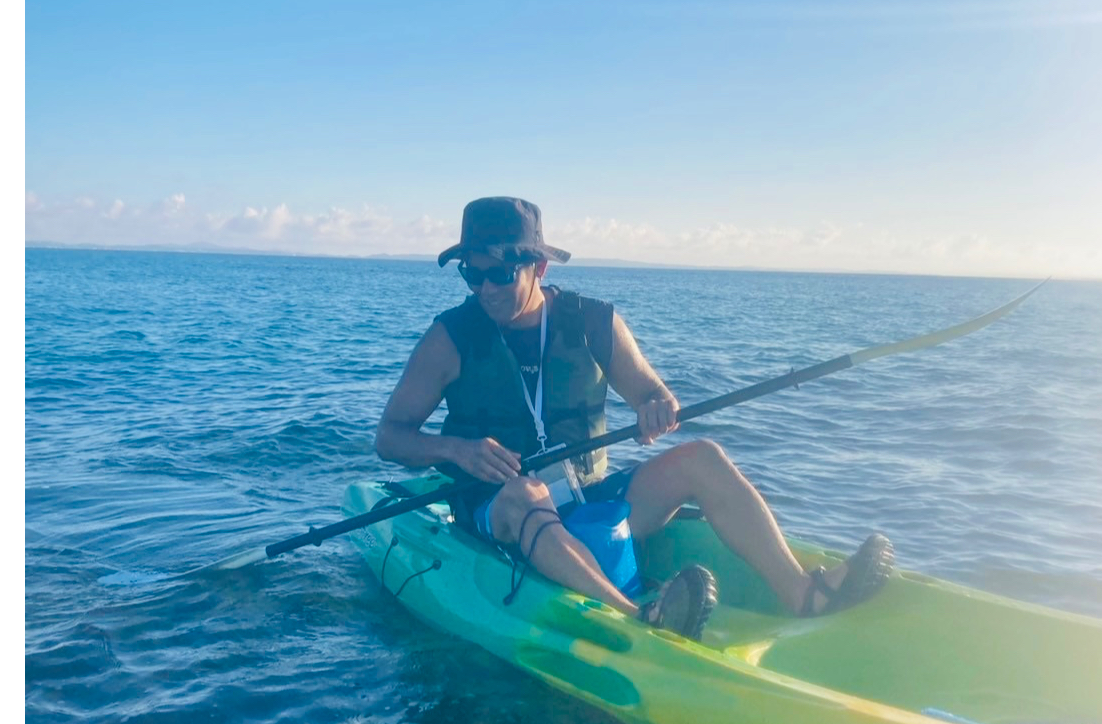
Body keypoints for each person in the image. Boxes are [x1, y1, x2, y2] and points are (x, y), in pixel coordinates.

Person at [375, 196, 893, 640]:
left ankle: (803, 593)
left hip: (589, 501)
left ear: (540, 268)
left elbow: (651, 390)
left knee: (704, 458)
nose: (484, 288)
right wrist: (456, 449)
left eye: (499, 273)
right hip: (502, 513)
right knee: (525, 493)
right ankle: (639, 617)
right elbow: (390, 437)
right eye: (472, 273)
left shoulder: (594, 321)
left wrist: (656, 407)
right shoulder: (447, 338)